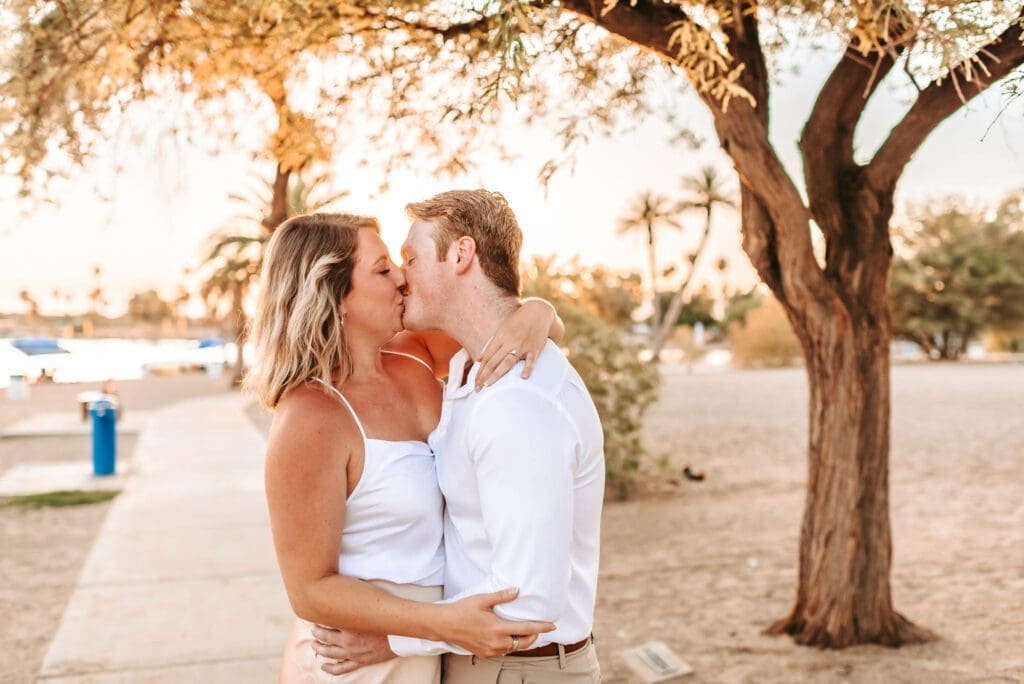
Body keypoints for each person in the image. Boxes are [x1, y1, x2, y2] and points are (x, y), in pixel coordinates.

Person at [246, 212, 564, 683]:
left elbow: (514, 328)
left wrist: (539, 311)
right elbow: (309, 590)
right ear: (334, 297)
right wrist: (438, 625)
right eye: (382, 270)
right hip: (355, 659)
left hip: (434, 646)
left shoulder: (414, 359)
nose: (402, 278)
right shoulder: (310, 416)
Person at [313, 190, 605, 683]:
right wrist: (539, 311)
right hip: (482, 664)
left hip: (515, 670)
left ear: (462, 255)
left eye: (410, 258)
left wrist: (391, 643)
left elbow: (526, 604)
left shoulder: (517, 403)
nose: (402, 275)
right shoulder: (470, 366)